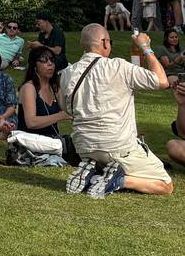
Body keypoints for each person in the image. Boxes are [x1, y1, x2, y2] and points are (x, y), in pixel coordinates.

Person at [60, 24, 173, 196]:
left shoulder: (67, 73)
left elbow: (66, 109)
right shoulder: (118, 66)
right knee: (165, 185)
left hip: (83, 147)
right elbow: (161, 81)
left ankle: (94, 174)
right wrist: (145, 47)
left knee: (113, 160)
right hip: (117, 146)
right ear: (105, 42)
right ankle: (119, 179)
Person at [17, 46, 68, 139]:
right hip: (30, 143)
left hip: (52, 141)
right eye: (44, 60)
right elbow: (31, 122)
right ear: (34, 66)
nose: (50, 64)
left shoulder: (55, 87)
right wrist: (61, 115)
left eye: (52, 60)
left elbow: (67, 110)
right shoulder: (29, 88)